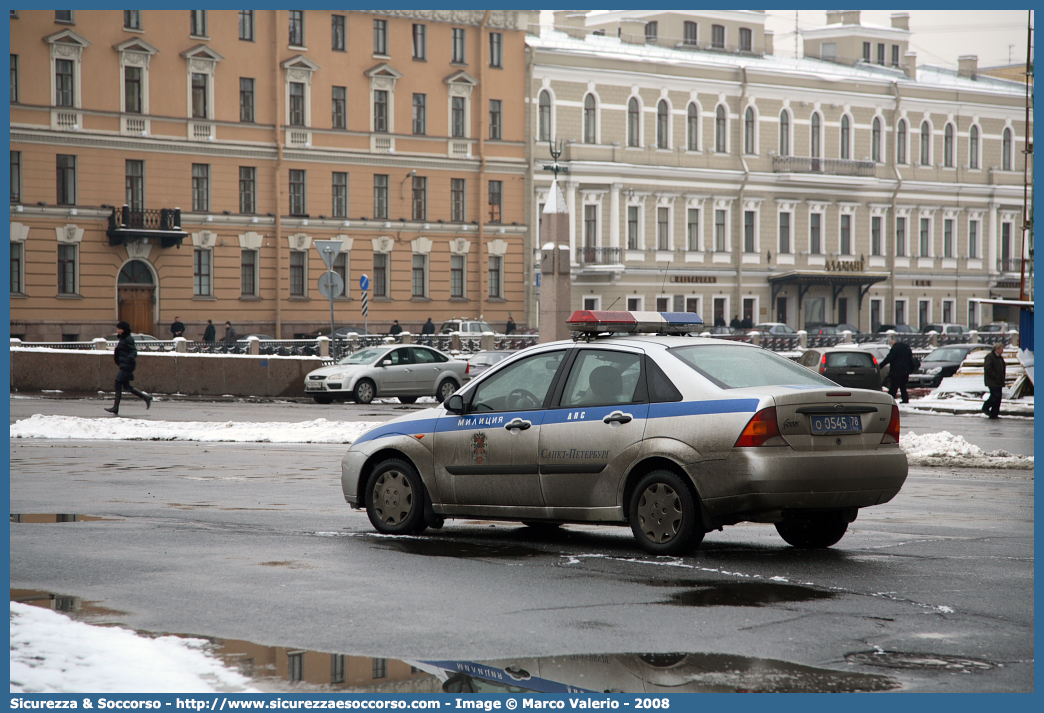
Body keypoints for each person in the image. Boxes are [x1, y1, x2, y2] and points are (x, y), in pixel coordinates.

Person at [105, 321, 151, 415]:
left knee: (118, 381)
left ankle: (115, 407)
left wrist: (128, 359)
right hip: (124, 365)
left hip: (128, 365)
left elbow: (133, 351)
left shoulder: (128, 339)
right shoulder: (123, 338)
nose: (118, 330)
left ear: (124, 329)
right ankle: (146, 397)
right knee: (127, 387)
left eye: (119, 329)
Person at [878, 334, 915, 403]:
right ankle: (905, 399)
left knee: (894, 386)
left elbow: (889, 358)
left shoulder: (895, 348)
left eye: (890, 341)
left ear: (893, 340)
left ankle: (889, 400)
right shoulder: (906, 347)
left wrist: (880, 366)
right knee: (903, 386)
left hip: (897, 371)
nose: (890, 342)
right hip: (906, 370)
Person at [982, 342, 1007, 419]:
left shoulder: (1000, 358)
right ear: (997, 349)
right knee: (995, 395)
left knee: (998, 398)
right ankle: (985, 407)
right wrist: (995, 376)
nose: (1002, 351)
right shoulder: (990, 357)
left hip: (999, 381)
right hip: (992, 381)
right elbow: (988, 368)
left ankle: (994, 413)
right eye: (1001, 349)